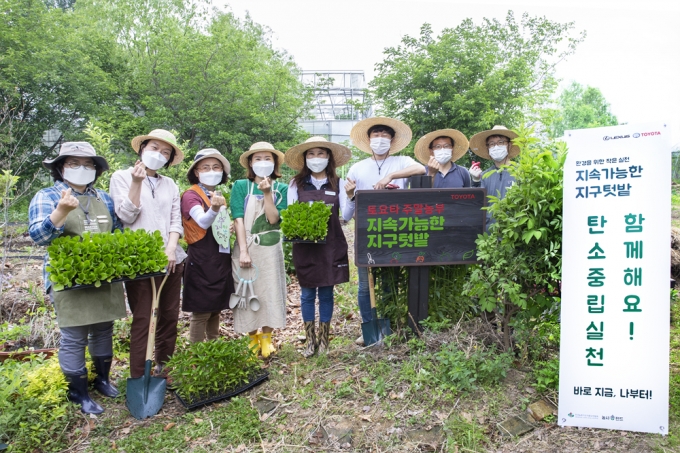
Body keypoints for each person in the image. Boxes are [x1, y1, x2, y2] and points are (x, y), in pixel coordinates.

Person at [28, 142, 126, 414]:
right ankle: (78, 392)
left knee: (104, 329)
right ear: (61, 168)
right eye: (74, 163)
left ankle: (103, 379)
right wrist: (60, 211)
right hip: (68, 279)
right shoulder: (46, 196)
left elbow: (116, 232)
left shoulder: (104, 198)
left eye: (88, 164)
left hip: (104, 276)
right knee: (74, 335)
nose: (82, 169)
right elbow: (38, 237)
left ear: (95, 170)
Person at [109, 129, 186, 379]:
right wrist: (136, 182)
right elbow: (126, 215)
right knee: (143, 317)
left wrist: (171, 249)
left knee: (169, 315)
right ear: (142, 149)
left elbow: (176, 221)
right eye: (154, 148)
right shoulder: (121, 177)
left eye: (165, 152)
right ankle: (138, 375)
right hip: (140, 261)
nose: (159, 154)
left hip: (172, 258)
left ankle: (164, 366)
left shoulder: (170, 184)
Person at [343, 117, 425, 345]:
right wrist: (351, 195)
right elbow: (347, 214)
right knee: (364, 284)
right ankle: (368, 324)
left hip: (394, 233)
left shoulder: (401, 162)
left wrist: (391, 176)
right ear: (368, 140)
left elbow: (421, 168)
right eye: (375, 135)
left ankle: (387, 323)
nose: (380, 139)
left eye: (384, 135)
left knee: (389, 281)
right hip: (366, 234)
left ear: (392, 140)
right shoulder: (357, 168)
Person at [285, 137, 352, 357]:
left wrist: (351, 196)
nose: (316, 158)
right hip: (305, 246)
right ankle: (309, 339)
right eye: (311, 154)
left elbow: (347, 215)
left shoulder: (338, 183)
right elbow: (291, 215)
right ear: (305, 158)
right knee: (306, 294)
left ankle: (324, 340)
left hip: (331, 245)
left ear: (328, 158)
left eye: (321, 154)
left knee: (326, 293)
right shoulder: (296, 184)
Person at [230, 142, 288, 358]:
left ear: (274, 163)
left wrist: (267, 193)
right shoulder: (240, 186)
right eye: (258, 159)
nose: (263, 163)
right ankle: (252, 337)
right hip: (246, 246)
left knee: (270, 291)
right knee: (247, 292)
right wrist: (243, 251)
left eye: (267, 158)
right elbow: (237, 218)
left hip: (270, 248)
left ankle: (267, 338)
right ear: (250, 163)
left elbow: (274, 220)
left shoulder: (281, 188)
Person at [180, 149, 234, 342]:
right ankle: (197, 355)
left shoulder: (216, 193)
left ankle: (214, 350)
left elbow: (217, 226)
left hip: (219, 258)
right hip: (201, 259)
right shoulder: (190, 196)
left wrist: (229, 227)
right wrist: (215, 208)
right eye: (206, 167)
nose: (212, 171)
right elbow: (202, 222)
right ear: (196, 171)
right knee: (201, 311)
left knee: (215, 309)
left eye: (216, 167)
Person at [468, 125, 520, 227]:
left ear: (509, 145)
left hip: (513, 233)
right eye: (492, 144)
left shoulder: (520, 172)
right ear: (488, 148)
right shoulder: (485, 175)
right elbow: (476, 204)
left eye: (500, 142)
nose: (496, 147)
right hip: (489, 235)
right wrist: (475, 180)